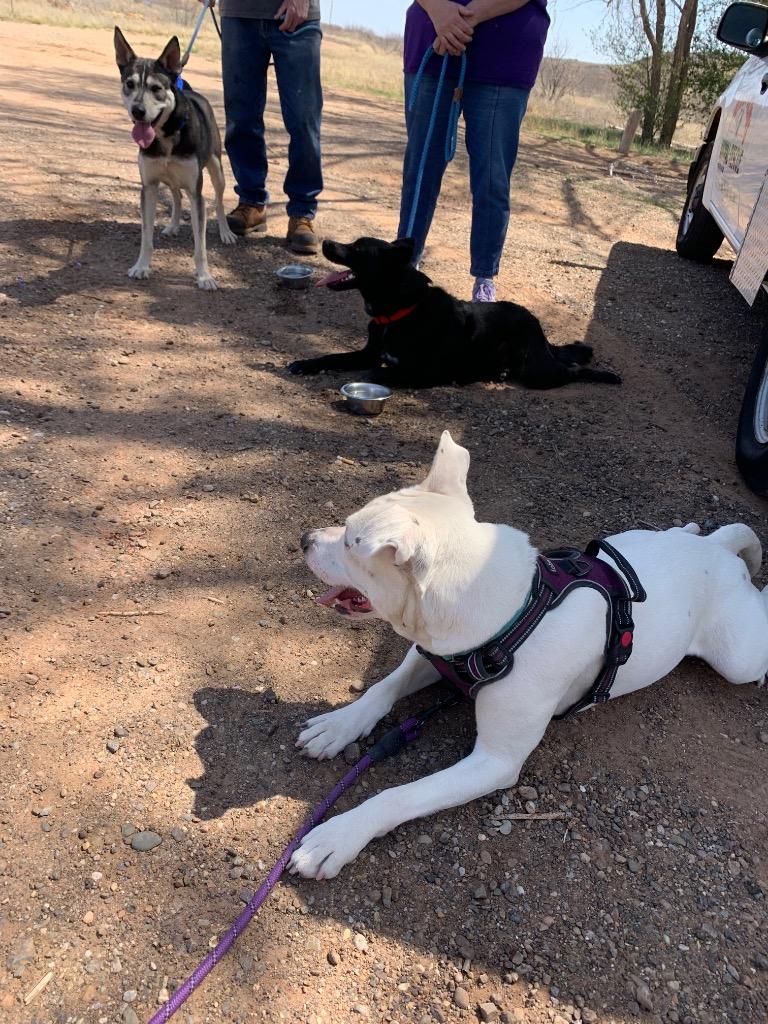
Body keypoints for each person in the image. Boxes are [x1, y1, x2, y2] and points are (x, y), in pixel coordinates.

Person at [399, 0, 549, 300]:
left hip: (505, 50)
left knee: (492, 178)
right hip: (433, 37)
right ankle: (403, 267)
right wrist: (439, 11)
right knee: (420, 170)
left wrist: (465, 19)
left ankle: (485, 278)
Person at [207, 0, 323, 254]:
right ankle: (251, 203)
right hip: (239, 13)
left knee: (304, 120)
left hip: (298, 16)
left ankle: (302, 213)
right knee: (241, 115)